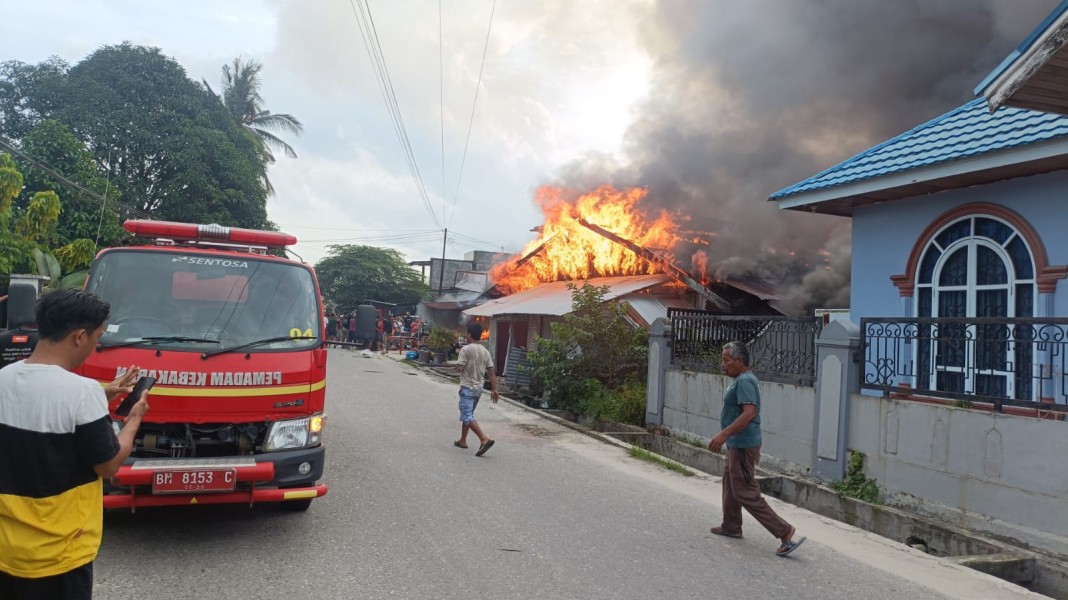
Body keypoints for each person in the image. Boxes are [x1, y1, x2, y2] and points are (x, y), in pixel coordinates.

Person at [0, 289, 149, 599]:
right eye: (98, 338)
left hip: (8, 549)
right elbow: (109, 464)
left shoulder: (5, 377)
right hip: (60, 554)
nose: (95, 346)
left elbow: (39, 404)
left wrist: (103, 393)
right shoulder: (82, 392)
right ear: (80, 336)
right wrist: (134, 420)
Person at [708, 341, 805, 557]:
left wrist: (723, 435)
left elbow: (749, 413)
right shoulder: (741, 379)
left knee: (745, 491)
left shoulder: (744, 381)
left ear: (739, 361)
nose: (723, 364)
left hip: (742, 445)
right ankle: (731, 526)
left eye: (726, 360)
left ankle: (784, 531)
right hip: (737, 444)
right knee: (730, 483)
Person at [453, 322, 499, 456]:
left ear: (469, 334)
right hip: (478, 389)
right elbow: (491, 371)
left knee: (467, 415)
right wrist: (494, 389)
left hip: (467, 387)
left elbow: (460, 368)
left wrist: (457, 366)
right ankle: (462, 440)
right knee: (469, 414)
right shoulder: (485, 351)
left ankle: (484, 439)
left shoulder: (465, 350)